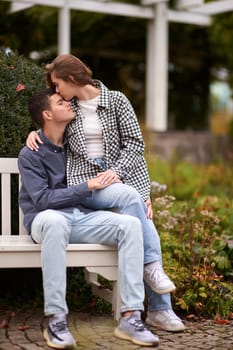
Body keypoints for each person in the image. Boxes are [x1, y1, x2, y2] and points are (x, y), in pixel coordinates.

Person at [26, 54, 185, 332]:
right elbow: (51, 123)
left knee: (140, 216)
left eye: (58, 84)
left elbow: (135, 145)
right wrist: (32, 131)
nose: (56, 91)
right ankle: (158, 296)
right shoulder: (68, 107)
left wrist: (137, 188)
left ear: (72, 79)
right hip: (87, 186)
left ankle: (159, 309)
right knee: (129, 198)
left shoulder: (117, 101)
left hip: (119, 181)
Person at [18, 88, 160, 349]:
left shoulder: (75, 145)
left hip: (80, 218)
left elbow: (124, 157)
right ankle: (57, 319)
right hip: (45, 221)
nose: (69, 104)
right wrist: (87, 187)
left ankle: (131, 316)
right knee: (55, 220)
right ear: (47, 114)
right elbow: (43, 200)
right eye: (61, 102)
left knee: (130, 225)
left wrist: (142, 194)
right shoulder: (30, 153)